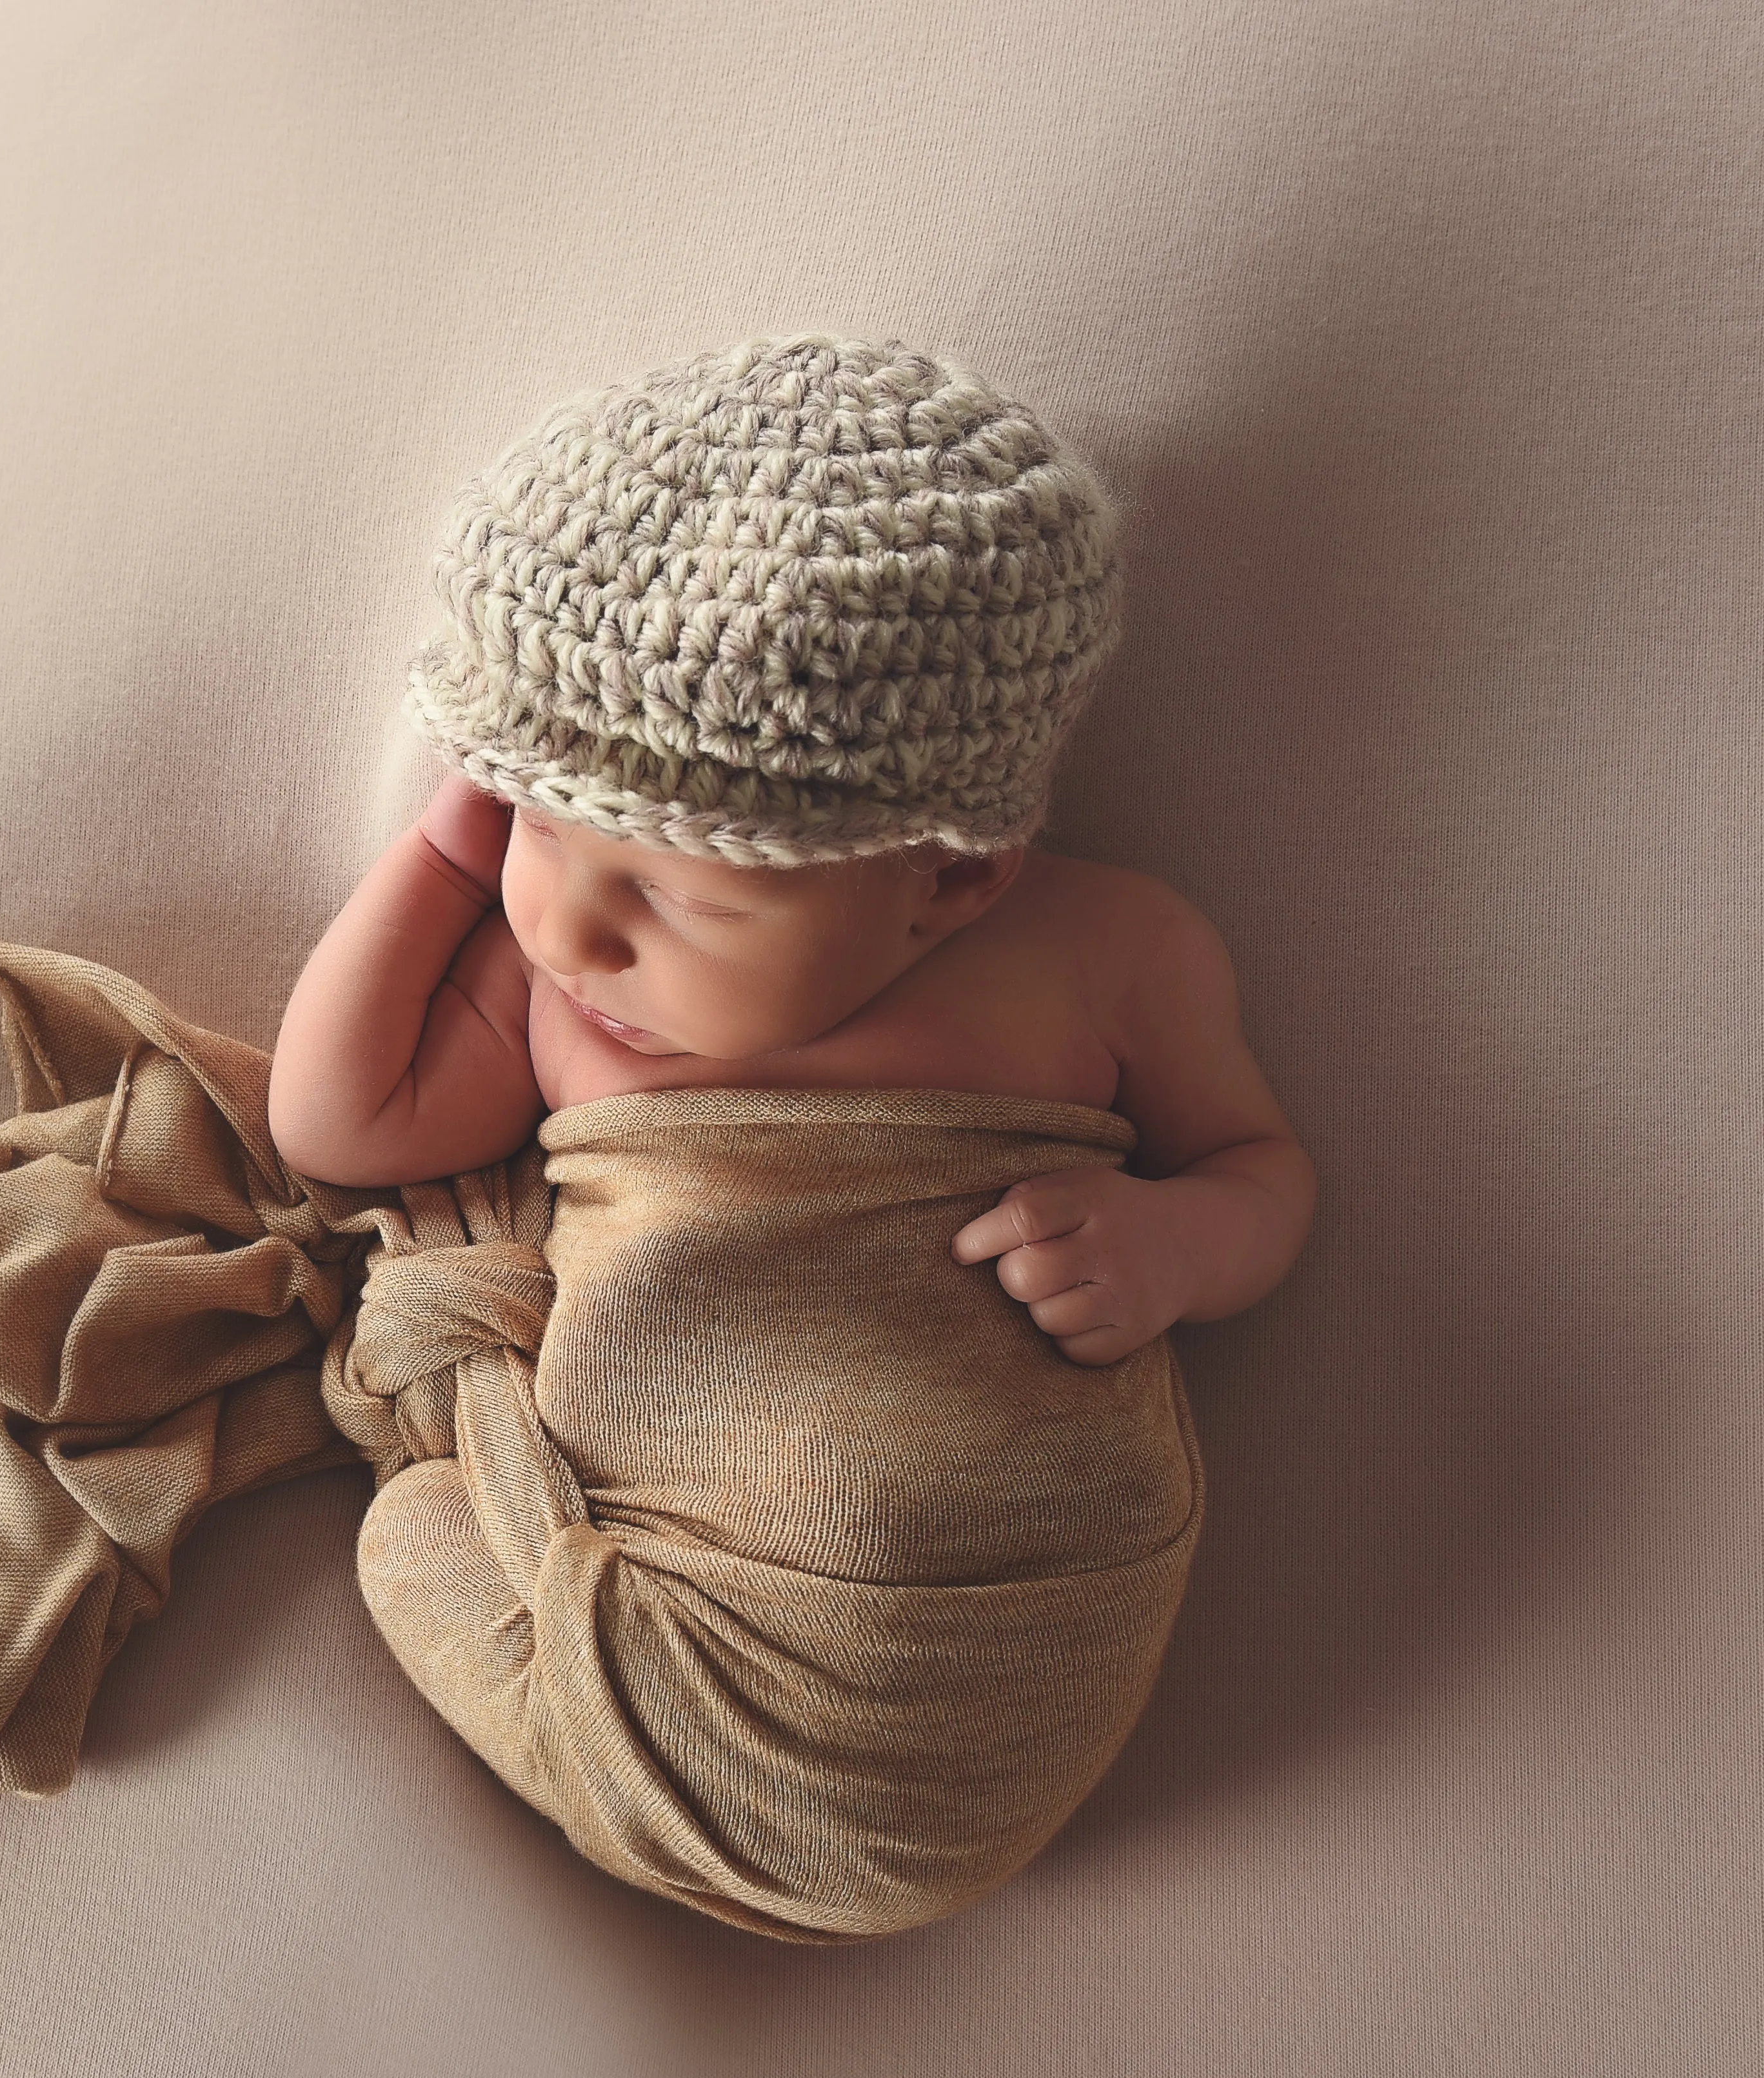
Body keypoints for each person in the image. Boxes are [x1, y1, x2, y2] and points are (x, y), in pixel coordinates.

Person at [271, 335, 1314, 1367]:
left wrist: (1175, 1243)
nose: (568, 930)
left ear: (950, 876)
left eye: (684, 898)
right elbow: (345, 1127)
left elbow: (1255, 1171)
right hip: (640, 1524)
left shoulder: (1108, 955)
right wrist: (445, 866)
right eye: (536, 826)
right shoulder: (557, 991)